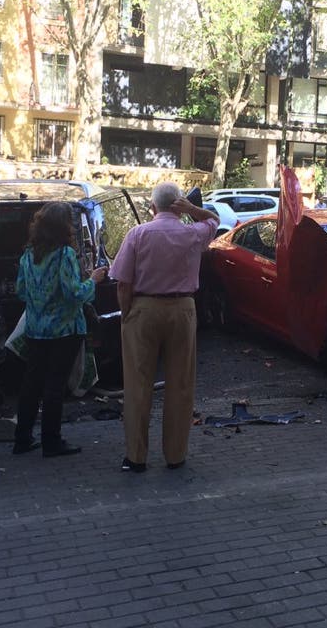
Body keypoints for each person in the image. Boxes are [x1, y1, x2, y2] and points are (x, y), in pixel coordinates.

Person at [109, 182, 219, 473]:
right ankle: (175, 455)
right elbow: (213, 221)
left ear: (152, 206)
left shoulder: (138, 234)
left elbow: (123, 282)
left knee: (137, 383)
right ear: (178, 205)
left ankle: (136, 457)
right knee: (181, 383)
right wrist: (192, 208)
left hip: (143, 309)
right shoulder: (193, 233)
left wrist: (126, 314)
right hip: (183, 309)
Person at [14, 201, 107, 457]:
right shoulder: (64, 254)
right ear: (63, 226)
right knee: (55, 386)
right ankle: (51, 441)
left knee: (31, 383)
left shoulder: (28, 255)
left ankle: (22, 439)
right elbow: (74, 293)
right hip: (64, 331)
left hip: (35, 330)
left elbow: (20, 291)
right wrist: (93, 280)